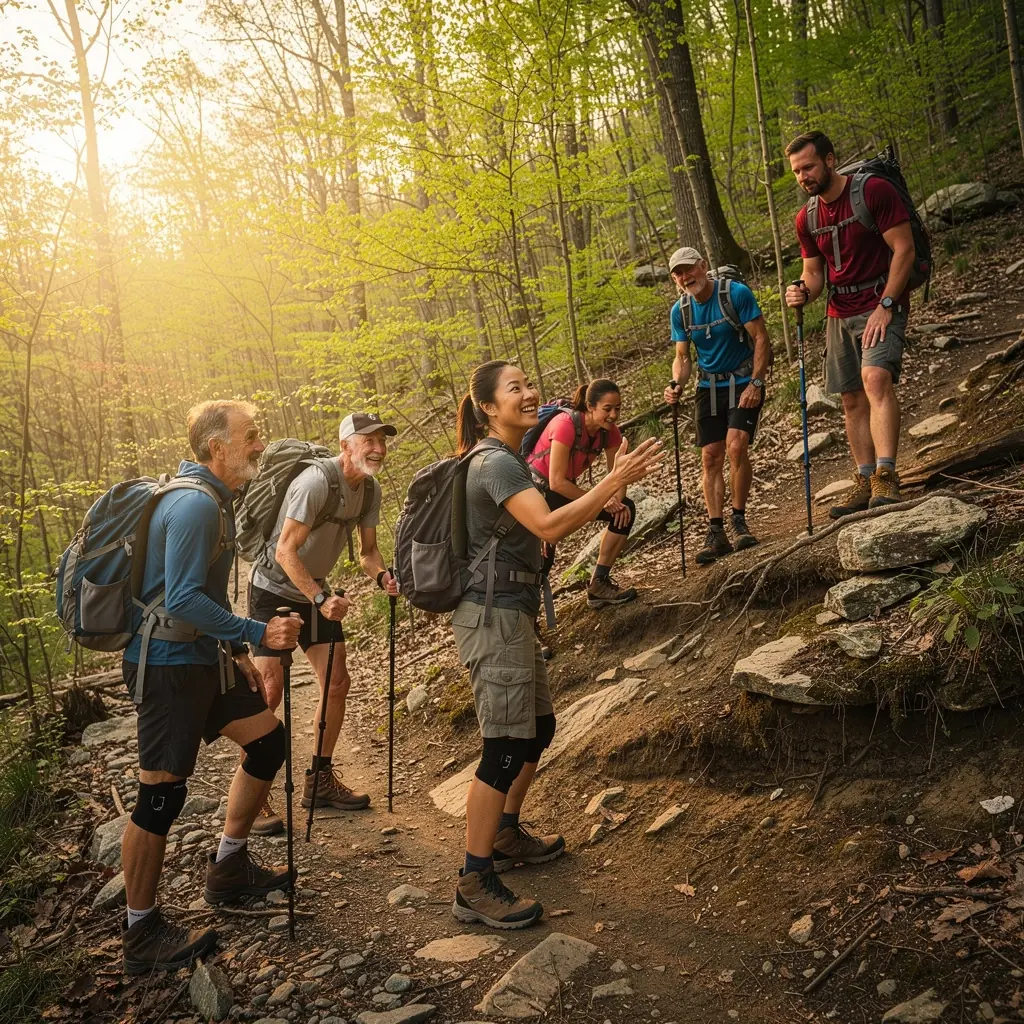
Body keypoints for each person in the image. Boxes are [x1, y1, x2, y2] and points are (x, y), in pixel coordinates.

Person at [450, 360, 664, 929]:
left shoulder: (511, 459)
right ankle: (474, 879)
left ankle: (505, 832)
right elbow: (548, 526)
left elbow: (533, 530)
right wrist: (613, 484)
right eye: (513, 388)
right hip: (491, 617)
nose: (528, 392)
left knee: (536, 729)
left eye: (528, 383)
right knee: (501, 745)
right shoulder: (496, 463)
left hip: (511, 612)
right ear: (489, 408)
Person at [120, 400, 302, 975]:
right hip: (168, 666)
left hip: (202, 658)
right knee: (160, 796)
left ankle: (228, 868)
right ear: (216, 447)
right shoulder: (196, 505)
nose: (259, 446)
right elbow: (179, 599)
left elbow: (205, 592)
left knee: (268, 742)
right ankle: (140, 930)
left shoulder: (213, 501)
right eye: (250, 437)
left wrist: (237, 651)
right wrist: (258, 631)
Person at [249, 412, 400, 822]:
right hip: (273, 590)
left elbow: (368, 553)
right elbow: (284, 551)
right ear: (345, 445)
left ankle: (319, 779)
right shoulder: (314, 483)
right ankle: (253, 790)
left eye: (382, 441)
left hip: (315, 589)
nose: (378, 448)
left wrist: (383, 575)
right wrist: (319, 599)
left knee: (336, 682)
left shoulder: (370, 491)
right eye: (368, 440)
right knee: (269, 690)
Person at [785, 130, 915, 516]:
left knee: (875, 379)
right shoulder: (806, 217)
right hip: (839, 310)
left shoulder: (873, 191)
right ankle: (863, 478)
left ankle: (886, 476)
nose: (803, 176)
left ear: (829, 159)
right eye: (796, 171)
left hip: (881, 299)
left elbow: (904, 249)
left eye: (808, 166)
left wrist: (887, 304)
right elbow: (814, 273)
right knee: (850, 397)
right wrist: (802, 292)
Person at [662, 247, 772, 565]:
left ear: (703, 266)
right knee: (710, 457)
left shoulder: (735, 294)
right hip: (708, 385)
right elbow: (683, 357)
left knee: (736, 446)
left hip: (743, 381)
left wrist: (756, 382)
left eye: (689, 269)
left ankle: (739, 521)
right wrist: (677, 385)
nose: (685, 277)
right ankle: (716, 531)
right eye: (678, 273)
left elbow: (761, 338)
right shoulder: (680, 311)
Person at [524, 379, 638, 609]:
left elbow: (618, 474)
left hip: (562, 490)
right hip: (538, 493)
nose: (613, 415)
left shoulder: (609, 432)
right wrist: (602, 499)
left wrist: (616, 500)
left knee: (625, 510)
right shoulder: (565, 424)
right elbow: (556, 482)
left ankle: (598, 585)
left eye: (618, 408)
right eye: (607, 409)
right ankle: (528, 620)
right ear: (591, 406)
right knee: (543, 559)